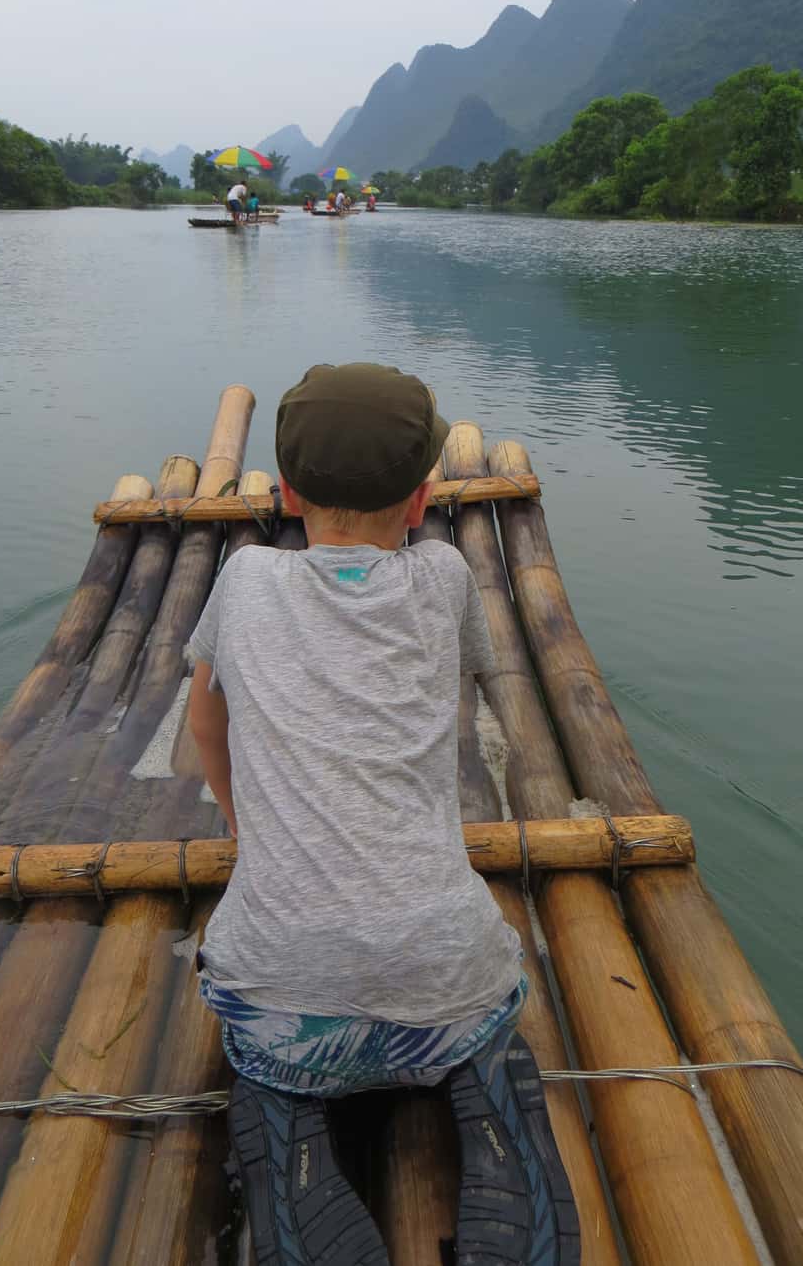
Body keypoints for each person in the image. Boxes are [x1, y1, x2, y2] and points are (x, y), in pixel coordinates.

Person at [187, 363, 580, 1266]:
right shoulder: (444, 576)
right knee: (481, 990)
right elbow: (466, 689)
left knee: (265, 1019)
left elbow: (208, 721)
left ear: (284, 491)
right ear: (424, 498)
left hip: (283, 1000)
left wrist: (249, 829)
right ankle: (484, 1090)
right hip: (452, 998)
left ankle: (288, 1120)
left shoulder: (243, 581)